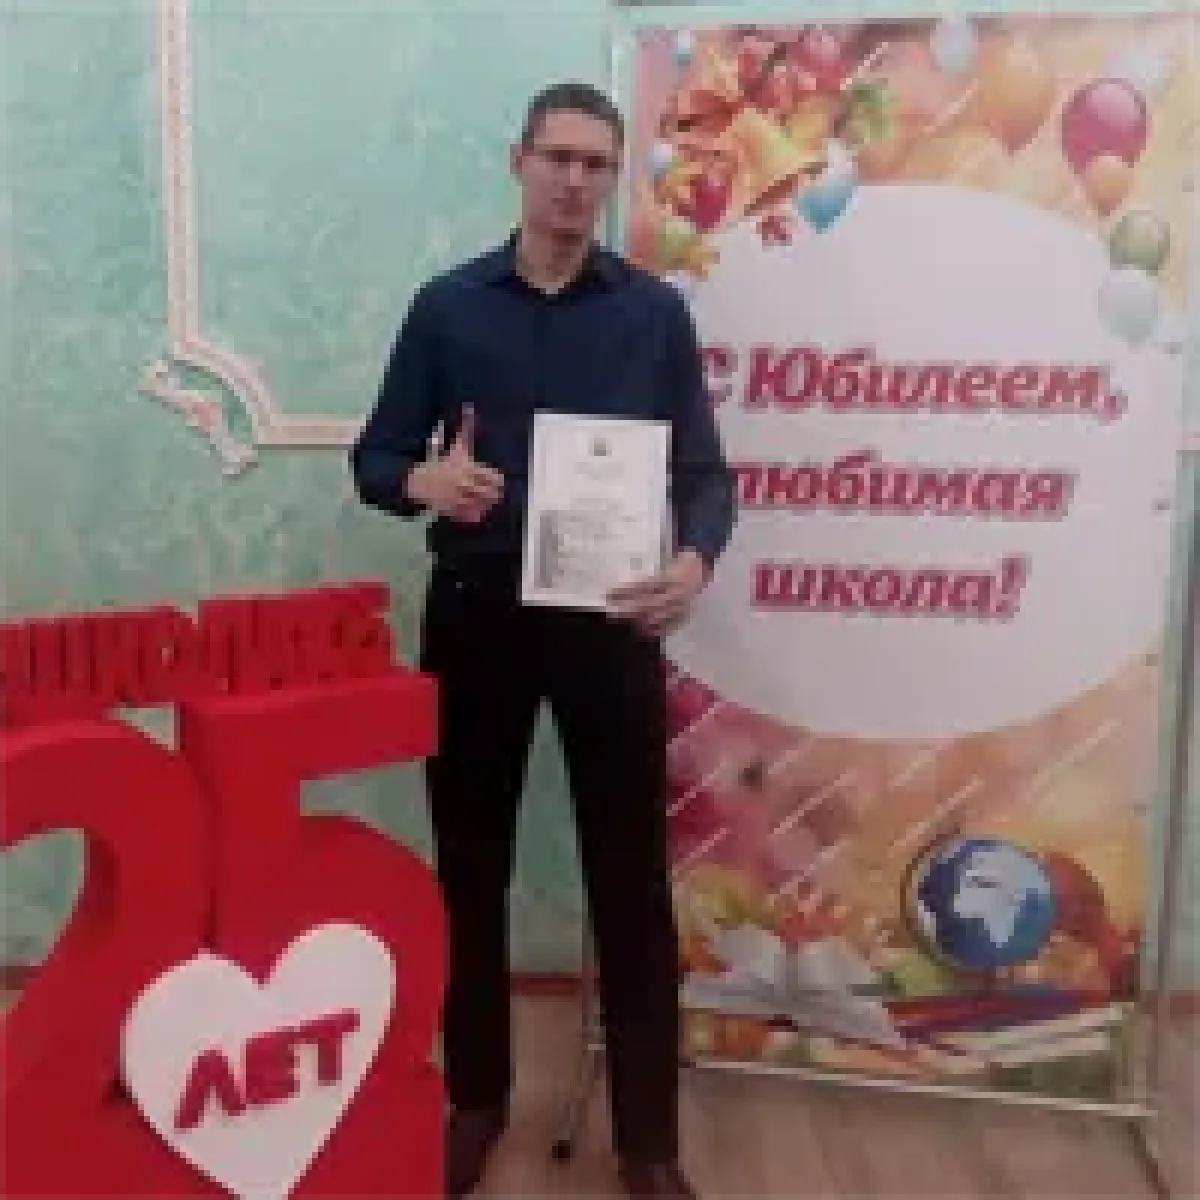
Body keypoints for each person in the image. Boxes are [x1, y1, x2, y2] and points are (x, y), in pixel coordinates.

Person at [350, 81, 736, 1200]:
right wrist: (425, 481)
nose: (574, 180)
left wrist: (693, 563)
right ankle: (475, 1101)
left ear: (612, 179)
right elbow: (376, 459)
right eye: (557, 157)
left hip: (609, 626)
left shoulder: (653, 315)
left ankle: (650, 1145)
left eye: (595, 164)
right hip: (476, 618)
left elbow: (704, 476)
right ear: (518, 161)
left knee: (632, 881)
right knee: (470, 869)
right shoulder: (446, 308)